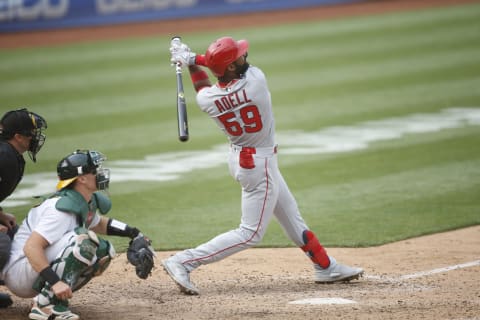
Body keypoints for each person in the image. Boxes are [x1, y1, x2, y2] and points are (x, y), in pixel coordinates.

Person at [161, 36, 364, 295]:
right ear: (232, 67)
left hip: (241, 160)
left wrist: (188, 62)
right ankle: (183, 261)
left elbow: (202, 86)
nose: (245, 57)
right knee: (250, 233)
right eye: (239, 57)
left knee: (291, 215)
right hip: (260, 164)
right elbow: (210, 69)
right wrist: (193, 58)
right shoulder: (256, 80)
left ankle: (326, 267)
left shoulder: (208, 101)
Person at [1, 149, 154, 320]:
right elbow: (31, 247)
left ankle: (49, 297)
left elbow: (99, 223)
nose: (100, 173)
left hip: (32, 270)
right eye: (95, 170)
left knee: (104, 250)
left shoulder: (81, 199)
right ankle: (46, 305)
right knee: (84, 241)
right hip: (20, 272)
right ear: (81, 178)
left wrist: (135, 233)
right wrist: (55, 281)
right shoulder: (59, 210)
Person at [0, 108, 47, 308]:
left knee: (15, 236)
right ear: (18, 137)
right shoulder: (4, 156)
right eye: (31, 134)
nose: (35, 138)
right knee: (1, 245)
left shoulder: (8, 154)